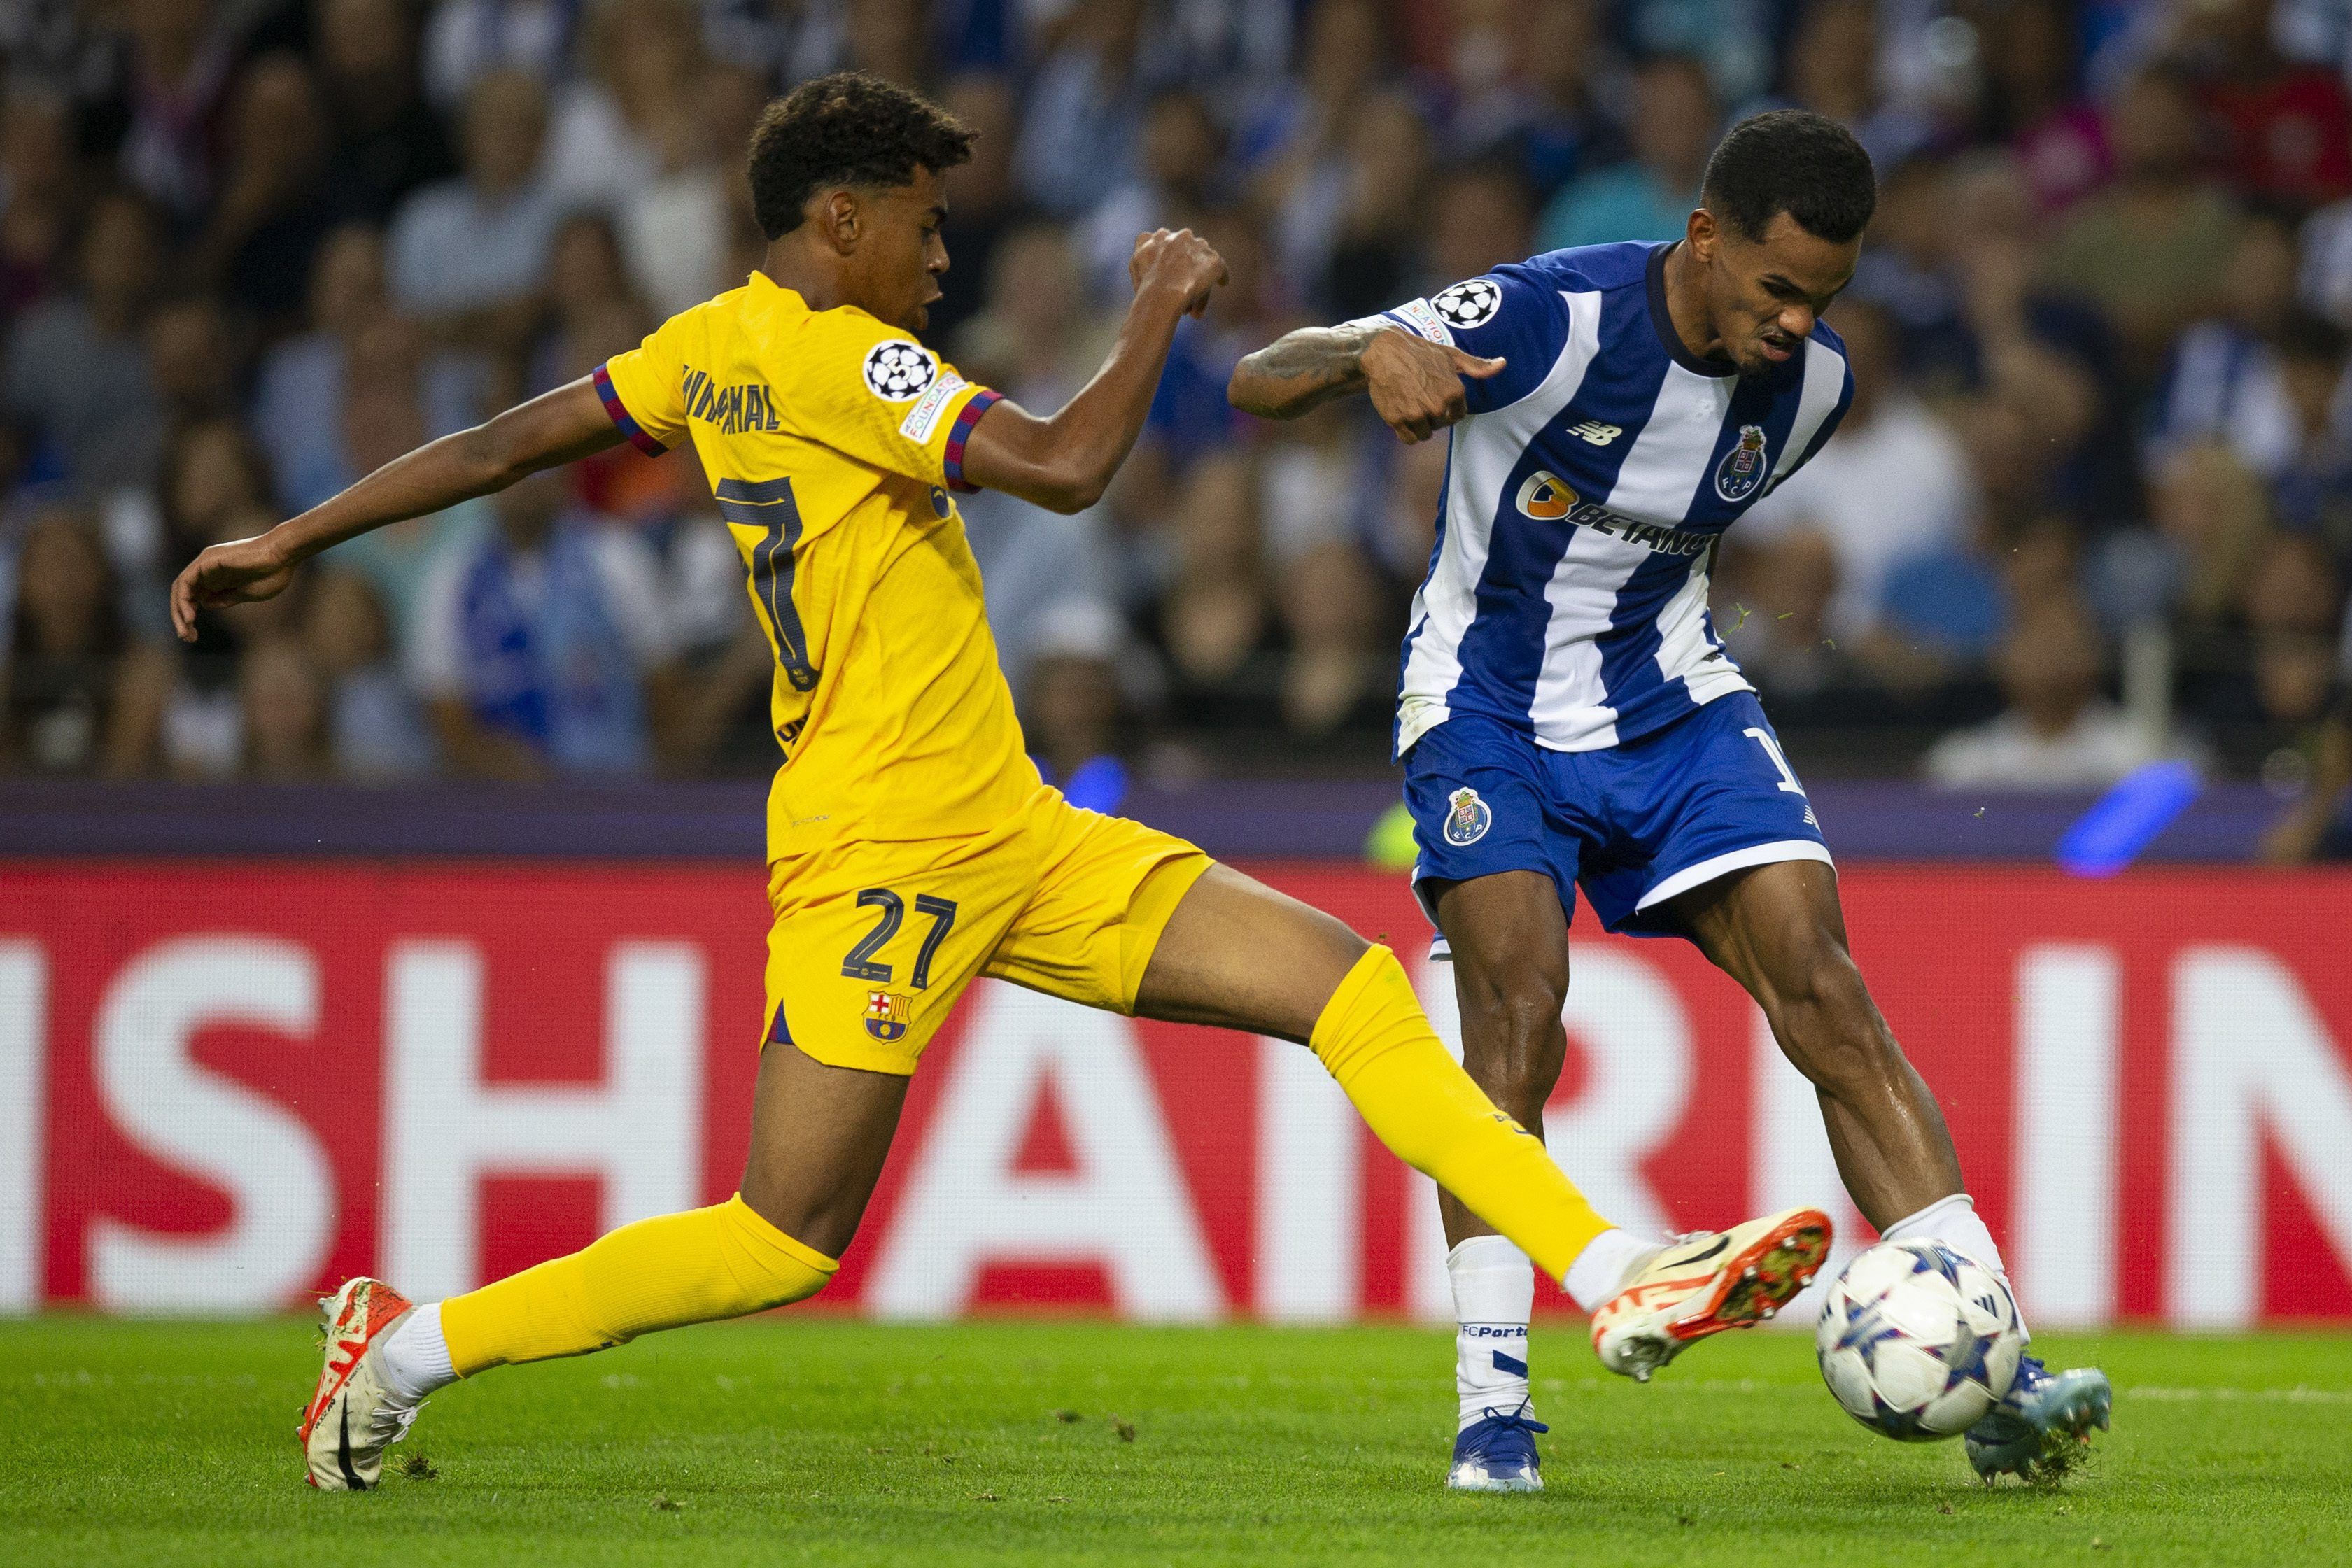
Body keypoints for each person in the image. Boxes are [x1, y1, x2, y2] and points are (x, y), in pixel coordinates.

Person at [172, 71, 1828, 1494]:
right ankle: (407, 1348)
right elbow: (1064, 465)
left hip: (1012, 825)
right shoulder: (849, 357)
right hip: (882, 846)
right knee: (780, 1234)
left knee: (1350, 990)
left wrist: (292, 535)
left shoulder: (705, 346)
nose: (943, 257)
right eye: (924, 223)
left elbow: (500, 442)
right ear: (839, 221)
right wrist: (1159, 301)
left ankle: (1614, 1269)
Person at [1229, 107, 2113, 1492]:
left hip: (1672, 704)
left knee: (1824, 986)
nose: (1797, 322)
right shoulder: (1550, 315)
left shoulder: (1812, 390)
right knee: (1515, 1011)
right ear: (1703, 238)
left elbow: (1662, 543)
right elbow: (1257, 376)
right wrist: (1364, 350)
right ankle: (1493, 1412)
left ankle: (1999, 1367)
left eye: (1824, 296)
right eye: (1776, 287)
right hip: (1485, 708)